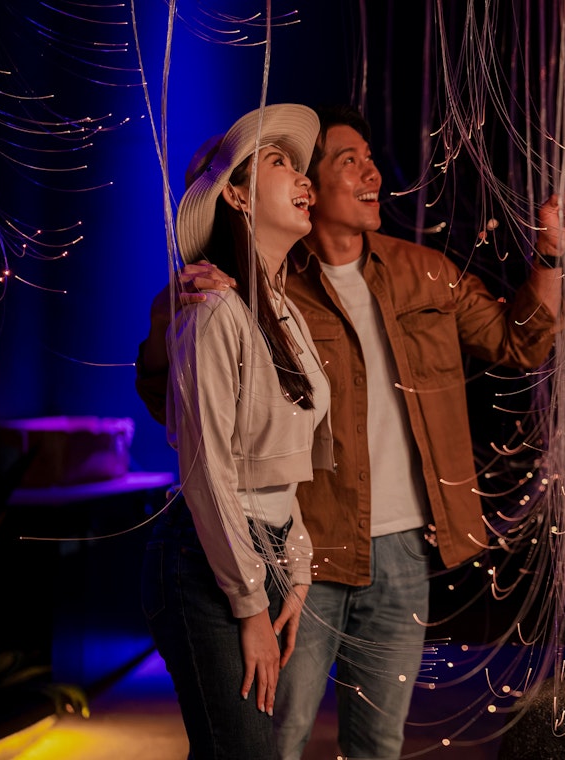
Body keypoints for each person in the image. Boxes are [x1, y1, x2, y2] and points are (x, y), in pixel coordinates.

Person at [136, 104, 565, 759]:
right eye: (345, 160)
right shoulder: (252, 292)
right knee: (273, 738)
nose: (370, 170)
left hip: (396, 550)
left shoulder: (423, 271)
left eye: (370, 158)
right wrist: (166, 325)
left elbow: (520, 344)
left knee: (375, 742)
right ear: (310, 189)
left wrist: (550, 251)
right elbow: (186, 418)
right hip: (305, 545)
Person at [139, 103, 333, 759]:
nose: (305, 178)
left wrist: (296, 565)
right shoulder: (213, 308)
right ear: (238, 195)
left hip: (268, 551)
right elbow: (207, 471)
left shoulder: (284, 314)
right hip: (208, 556)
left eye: (302, 167)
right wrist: (251, 603)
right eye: (280, 163)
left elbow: (285, 464)